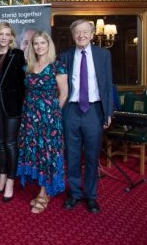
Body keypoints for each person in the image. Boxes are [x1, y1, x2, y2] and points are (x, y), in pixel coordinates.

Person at [59, 19, 113, 214]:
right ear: (73, 36)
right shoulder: (64, 56)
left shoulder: (103, 55)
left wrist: (108, 112)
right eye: (77, 33)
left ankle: (91, 196)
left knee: (92, 155)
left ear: (91, 35)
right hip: (71, 110)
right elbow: (60, 87)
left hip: (93, 110)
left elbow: (108, 86)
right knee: (72, 155)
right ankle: (74, 193)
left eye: (85, 32)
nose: (81, 35)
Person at [17, 31, 68, 213]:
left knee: (47, 154)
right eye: (36, 44)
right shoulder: (29, 66)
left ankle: (43, 193)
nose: (39, 47)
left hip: (49, 119)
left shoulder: (57, 67)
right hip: (30, 116)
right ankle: (43, 191)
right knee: (36, 152)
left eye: (42, 43)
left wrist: (52, 113)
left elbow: (63, 94)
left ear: (49, 45)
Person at [0, 23, 26, 202]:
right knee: (0, 143)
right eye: (0, 34)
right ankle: (2, 177)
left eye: (7, 34)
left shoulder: (17, 55)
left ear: (11, 37)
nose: (3, 37)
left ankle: (10, 181)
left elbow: (23, 82)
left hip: (12, 106)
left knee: (11, 144)